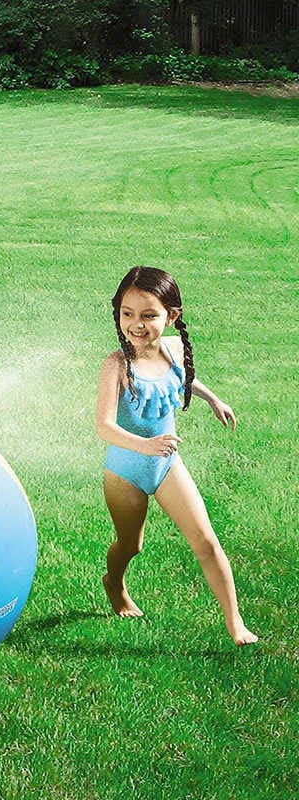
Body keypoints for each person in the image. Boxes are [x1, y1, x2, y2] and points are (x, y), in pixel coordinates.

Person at [96, 266, 257, 646]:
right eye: (127, 313)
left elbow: (184, 377)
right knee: (130, 545)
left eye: (149, 315)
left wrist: (213, 398)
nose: (136, 324)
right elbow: (103, 426)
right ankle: (113, 583)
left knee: (205, 540)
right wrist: (144, 445)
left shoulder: (173, 348)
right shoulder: (116, 365)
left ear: (172, 316)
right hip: (125, 471)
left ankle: (235, 625)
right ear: (118, 312)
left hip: (167, 465)